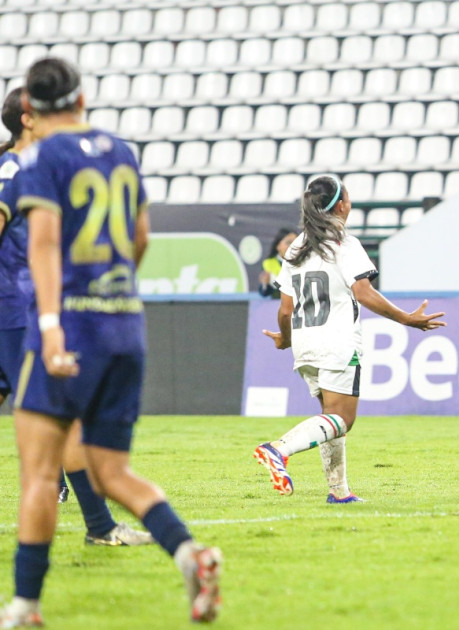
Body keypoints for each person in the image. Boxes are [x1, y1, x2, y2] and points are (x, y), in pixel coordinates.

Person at [0, 58, 222, 627]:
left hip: (65, 327)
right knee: (112, 472)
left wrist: (51, 326)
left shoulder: (39, 158)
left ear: (31, 112)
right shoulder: (122, 151)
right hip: (124, 325)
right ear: (82, 98)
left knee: (41, 473)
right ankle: (189, 553)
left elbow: (44, 246)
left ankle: (25, 606)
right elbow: (141, 236)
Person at [0, 86, 153, 548]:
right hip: (18, 306)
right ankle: (101, 527)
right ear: (29, 119)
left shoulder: (22, 164)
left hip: (11, 303)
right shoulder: (16, 167)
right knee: (64, 418)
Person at [254, 174, 445, 502]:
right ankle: (278, 449)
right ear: (341, 205)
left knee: (328, 416)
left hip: (304, 343)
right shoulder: (343, 242)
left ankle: (338, 491)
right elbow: (363, 291)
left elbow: (285, 310)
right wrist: (406, 319)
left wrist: (285, 339)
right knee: (343, 418)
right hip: (337, 341)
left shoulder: (297, 246)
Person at [258, 227, 298, 298]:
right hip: (278, 304)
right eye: (288, 243)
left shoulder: (305, 262)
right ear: (278, 246)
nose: (292, 246)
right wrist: (265, 283)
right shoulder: (269, 263)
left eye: (296, 242)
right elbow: (267, 290)